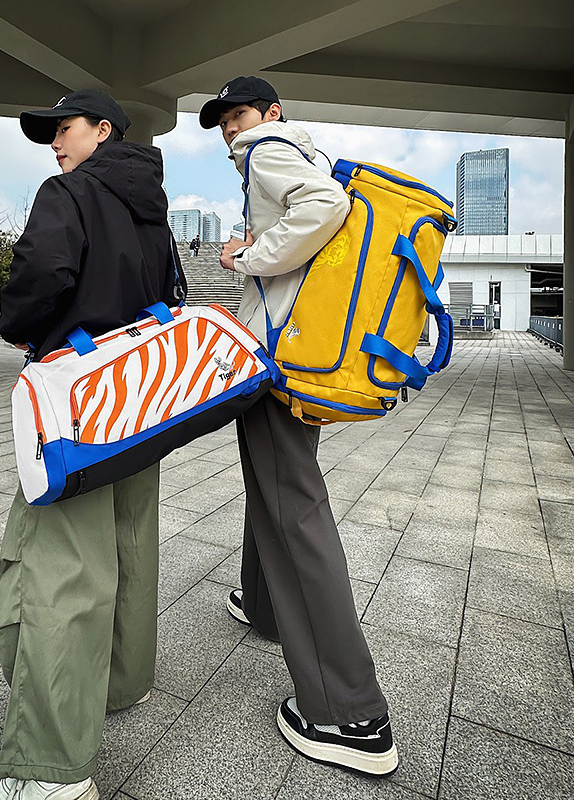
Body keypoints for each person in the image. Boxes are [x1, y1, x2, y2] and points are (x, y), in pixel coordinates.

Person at [199, 76, 398, 776]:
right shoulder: (295, 149)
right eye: (224, 119)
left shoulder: (267, 150)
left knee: (295, 508)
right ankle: (265, 607)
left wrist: (247, 257)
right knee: (274, 487)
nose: (231, 126)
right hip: (297, 353)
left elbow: (326, 207)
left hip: (280, 358)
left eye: (241, 113)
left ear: (271, 112)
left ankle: (351, 715)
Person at [0, 88, 186, 800]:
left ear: (102, 131)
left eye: (63, 129)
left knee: (57, 562)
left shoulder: (69, 193)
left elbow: (41, 276)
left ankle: (51, 766)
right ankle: (121, 683)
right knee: (132, 537)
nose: (54, 143)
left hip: (75, 403)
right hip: (139, 397)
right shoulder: (152, 208)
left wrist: (18, 322)